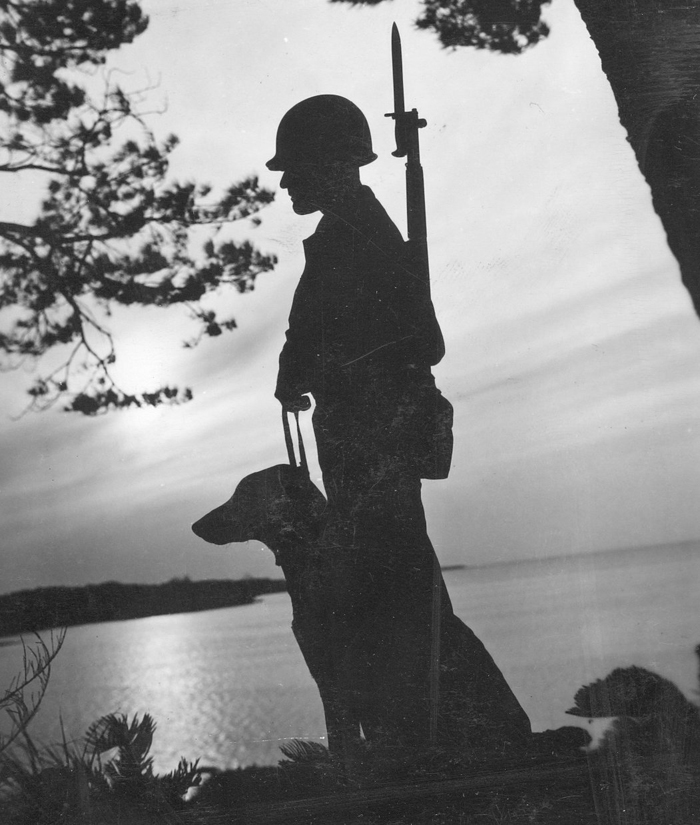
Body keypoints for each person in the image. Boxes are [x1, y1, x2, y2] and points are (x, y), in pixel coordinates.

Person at [267, 95, 530, 759]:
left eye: (295, 166)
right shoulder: (344, 234)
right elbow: (322, 326)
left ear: (331, 164)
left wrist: (318, 365)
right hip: (361, 437)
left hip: (374, 438)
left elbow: (415, 338)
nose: (285, 179)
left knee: (403, 588)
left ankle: (475, 734)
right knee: (397, 587)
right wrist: (297, 364)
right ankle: (446, 733)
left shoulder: (359, 234)